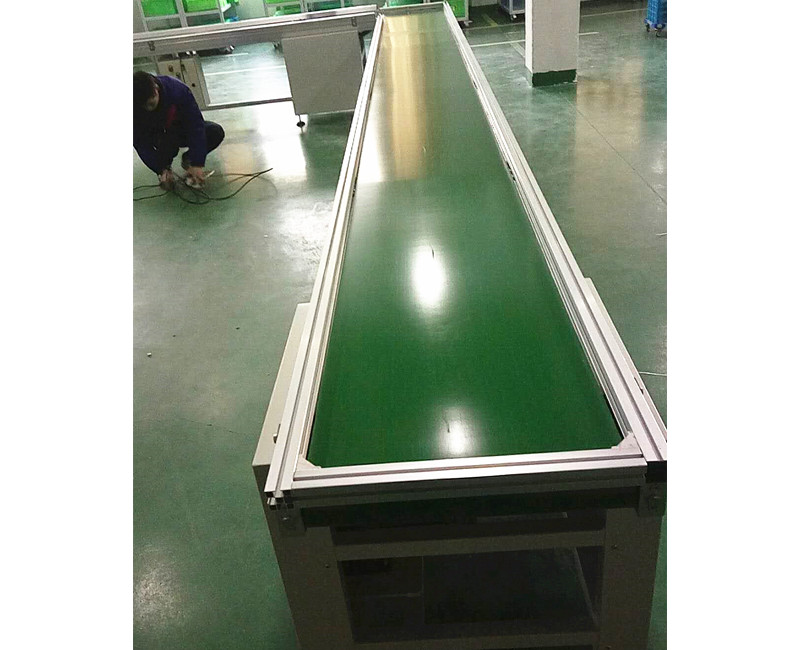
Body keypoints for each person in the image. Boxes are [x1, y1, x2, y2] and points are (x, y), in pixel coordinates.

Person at [133, 71, 225, 189]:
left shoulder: (177, 90)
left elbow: (195, 126)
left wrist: (197, 162)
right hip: (159, 137)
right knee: (165, 147)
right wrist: (160, 168)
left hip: (180, 130)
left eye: (151, 104)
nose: (148, 109)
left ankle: (189, 159)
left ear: (156, 89)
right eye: (144, 107)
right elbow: (140, 143)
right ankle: (166, 169)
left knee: (215, 132)